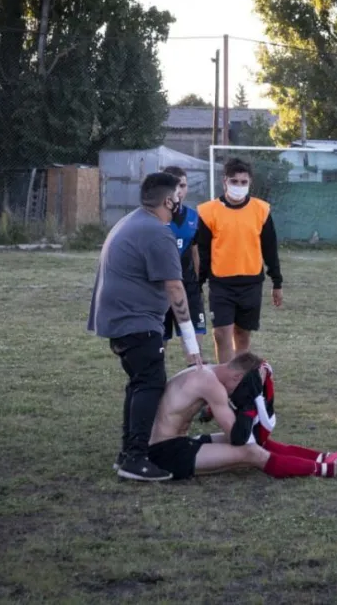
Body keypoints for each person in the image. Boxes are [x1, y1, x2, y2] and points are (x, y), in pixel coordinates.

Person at [88, 172, 203, 482]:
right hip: (135, 320)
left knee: (140, 383)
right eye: (177, 196)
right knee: (150, 383)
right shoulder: (157, 231)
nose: (180, 202)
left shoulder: (131, 221)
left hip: (119, 318)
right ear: (168, 200)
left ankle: (128, 452)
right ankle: (136, 458)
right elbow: (175, 288)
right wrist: (192, 346)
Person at [145, 351, 337, 480]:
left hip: (176, 443)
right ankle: (336, 469)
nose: (237, 394)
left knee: (262, 444)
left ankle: (325, 457)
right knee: (253, 453)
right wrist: (250, 405)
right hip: (165, 454)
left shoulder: (209, 373)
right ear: (237, 378)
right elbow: (241, 439)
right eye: (242, 388)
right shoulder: (211, 383)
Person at [196, 159, 283, 363]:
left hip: (251, 282)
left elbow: (269, 248)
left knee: (242, 335)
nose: (239, 186)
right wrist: (197, 283)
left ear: (250, 182)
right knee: (221, 334)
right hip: (221, 283)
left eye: (243, 182)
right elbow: (202, 251)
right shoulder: (208, 212)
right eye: (234, 181)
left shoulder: (261, 210)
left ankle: (240, 383)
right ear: (224, 181)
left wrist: (277, 281)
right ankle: (224, 380)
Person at [159, 166, 207, 346]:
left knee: (195, 354)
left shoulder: (194, 217)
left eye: (183, 185)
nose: (179, 190)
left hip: (188, 289)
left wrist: (198, 284)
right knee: (156, 351)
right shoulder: (151, 218)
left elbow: (195, 252)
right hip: (158, 290)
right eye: (174, 185)